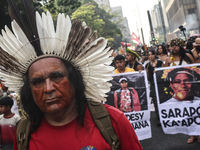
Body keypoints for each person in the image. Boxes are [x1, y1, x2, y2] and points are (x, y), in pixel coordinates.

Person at [0, 2, 142, 150]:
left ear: (75, 81)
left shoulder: (114, 122)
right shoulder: (23, 133)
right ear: (29, 89)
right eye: (37, 82)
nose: (48, 89)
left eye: (56, 77)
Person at [145, 49, 163, 126]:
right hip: (153, 84)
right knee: (155, 101)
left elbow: (164, 72)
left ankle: (164, 117)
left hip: (161, 84)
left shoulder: (160, 63)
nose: (150, 56)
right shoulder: (147, 65)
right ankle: (158, 118)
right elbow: (147, 77)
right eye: (149, 55)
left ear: (154, 55)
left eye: (151, 54)